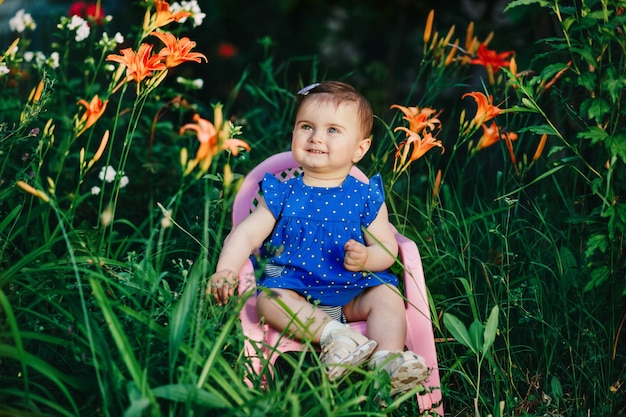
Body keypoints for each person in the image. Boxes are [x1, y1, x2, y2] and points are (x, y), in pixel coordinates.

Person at [207, 81, 430, 395]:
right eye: (306, 126)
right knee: (269, 301)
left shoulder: (365, 196)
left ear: (360, 148)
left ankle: (387, 362)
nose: (316, 137)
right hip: (296, 291)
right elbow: (244, 234)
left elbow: (387, 248)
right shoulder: (283, 193)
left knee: (388, 298)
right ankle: (336, 337)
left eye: (333, 130)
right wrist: (226, 269)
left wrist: (368, 258)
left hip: (353, 293)